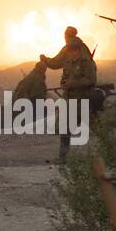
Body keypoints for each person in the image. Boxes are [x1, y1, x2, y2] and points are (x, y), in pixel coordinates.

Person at [42, 26, 98, 161]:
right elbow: (65, 76)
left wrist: (46, 60)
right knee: (65, 128)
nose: (70, 53)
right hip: (70, 99)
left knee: (95, 126)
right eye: (69, 51)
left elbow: (91, 79)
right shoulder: (69, 61)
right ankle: (62, 158)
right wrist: (65, 84)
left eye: (72, 51)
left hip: (83, 99)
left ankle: (114, 152)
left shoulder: (85, 61)